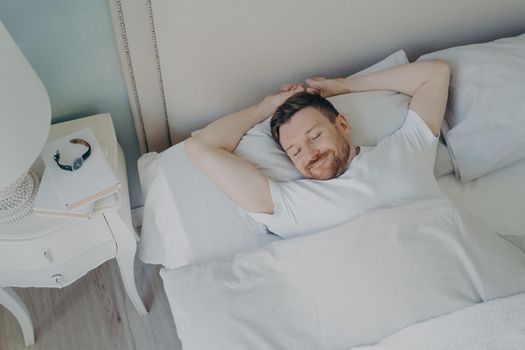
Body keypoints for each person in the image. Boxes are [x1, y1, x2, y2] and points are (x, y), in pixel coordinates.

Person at [186, 60, 450, 237]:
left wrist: (345, 86)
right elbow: (200, 148)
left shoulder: (406, 149)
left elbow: (435, 73)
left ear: (343, 124)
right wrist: (264, 107)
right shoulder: (288, 205)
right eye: (295, 151)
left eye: (314, 136)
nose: (310, 154)